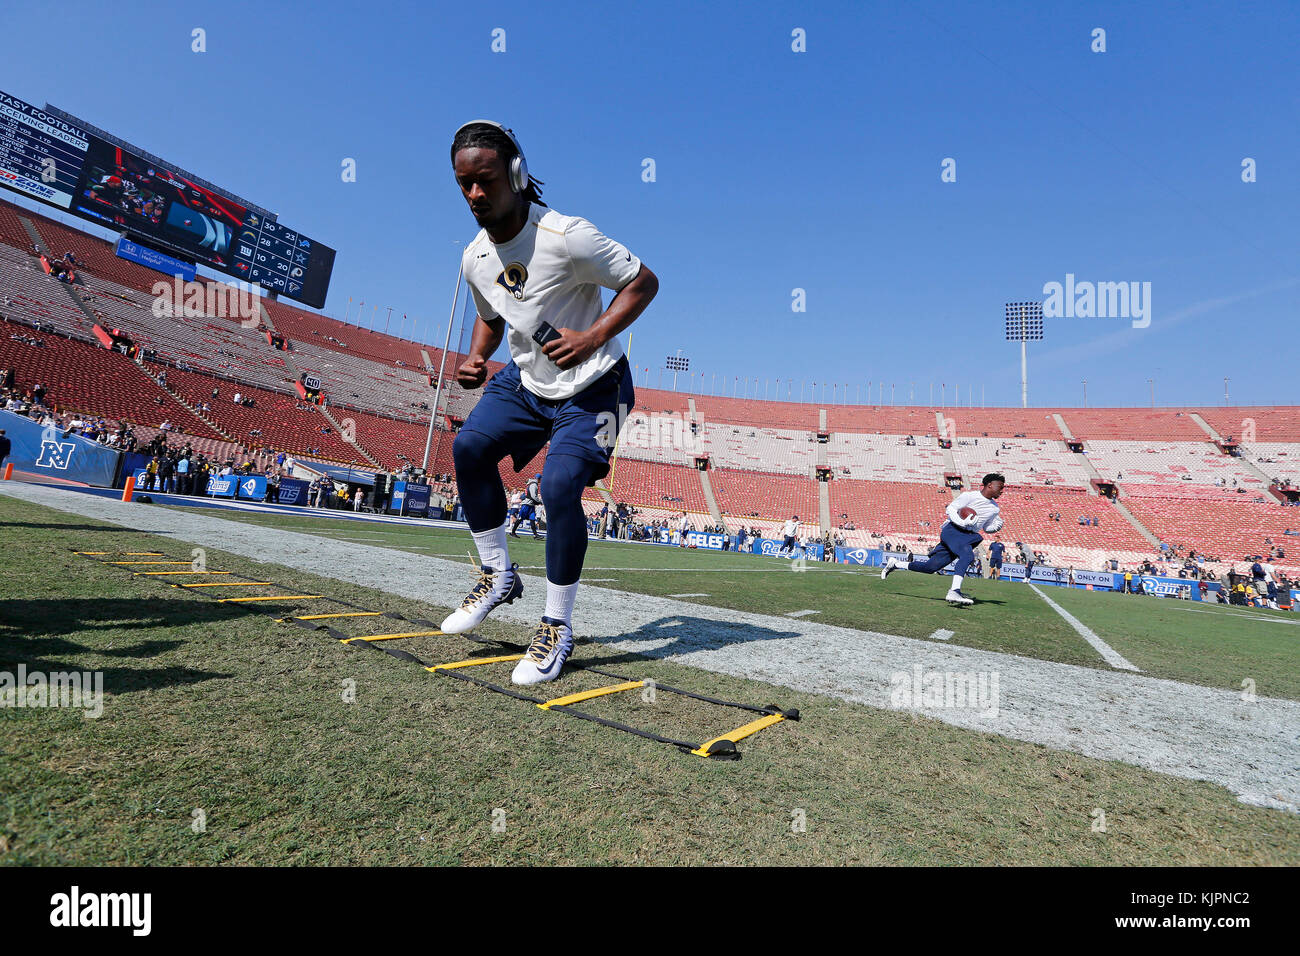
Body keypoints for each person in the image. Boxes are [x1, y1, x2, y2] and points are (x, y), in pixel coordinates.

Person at [437, 120, 658, 686]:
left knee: (559, 487)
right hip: (526, 381)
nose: (475, 195)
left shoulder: (566, 236)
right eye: (464, 185)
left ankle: (555, 627)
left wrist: (591, 336)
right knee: (468, 449)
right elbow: (492, 315)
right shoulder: (474, 258)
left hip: (596, 386)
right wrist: (476, 357)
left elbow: (643, 282)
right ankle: (497, 575)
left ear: (517, 174)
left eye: (484, 181)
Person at [881, 473, 1006, 606]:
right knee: (967, 556)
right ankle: (954, 591)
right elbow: (951, 509)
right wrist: (961, 522)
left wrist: (994, 528)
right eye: (1000, 486)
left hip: (967, 537)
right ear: (990, 485)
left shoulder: (994, 508)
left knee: (930, 567)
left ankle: (895, 564)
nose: (1002, 490)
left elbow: (985, 527)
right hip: (953, 530)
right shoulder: (969, 496)